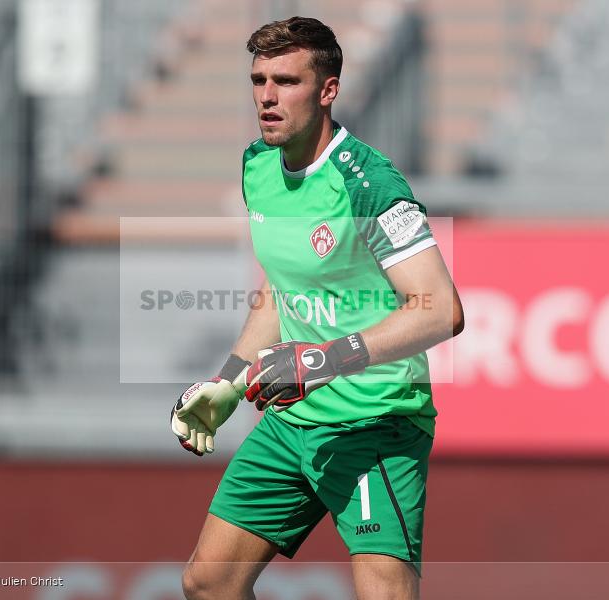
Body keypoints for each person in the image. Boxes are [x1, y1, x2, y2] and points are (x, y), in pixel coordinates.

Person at [170, 16, 464, 600]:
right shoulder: (258, 166)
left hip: (374, 425)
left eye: (286, 80)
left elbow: (440, 310)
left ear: (328, 90)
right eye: (258, 80)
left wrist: (323, 361)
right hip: (290, 423)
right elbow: (280, 290)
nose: (267, 97)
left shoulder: (370, 184)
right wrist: (228, 383)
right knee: (208, 584)